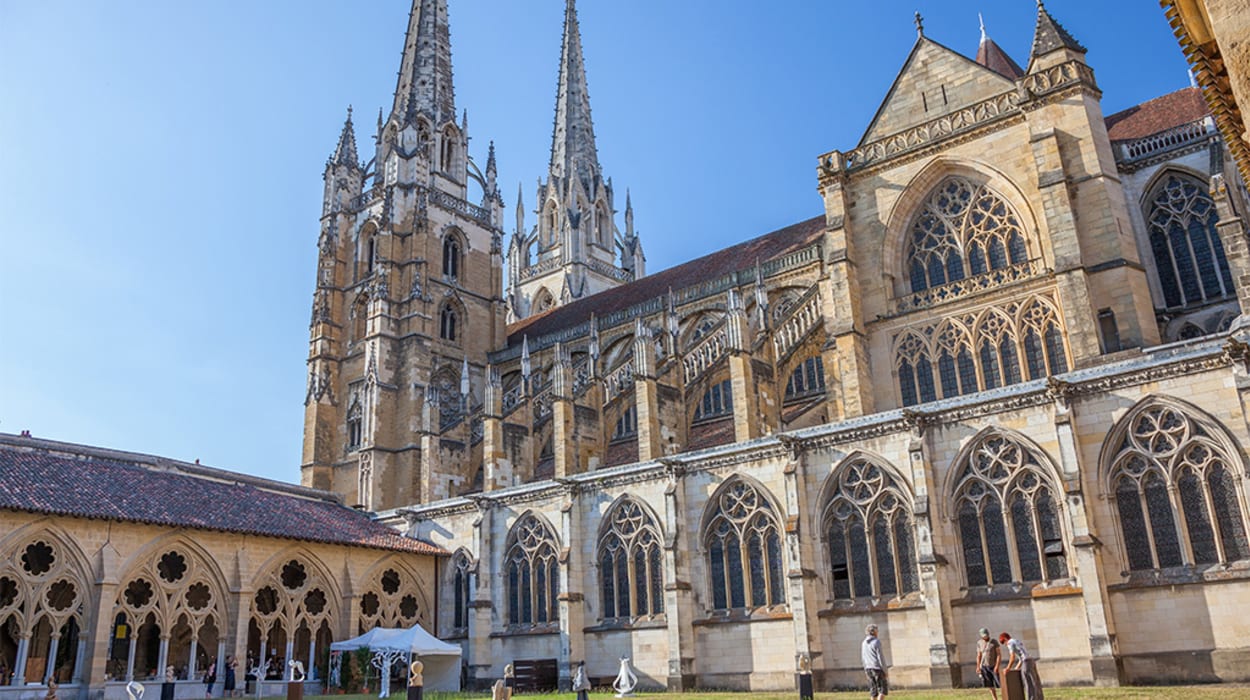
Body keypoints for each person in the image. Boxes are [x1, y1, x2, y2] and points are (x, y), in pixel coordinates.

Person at [999, 633, 1043, 700]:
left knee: (1028, 683)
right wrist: (1016, 667)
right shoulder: (1016, 641)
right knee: (1035, 682)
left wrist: (1008, 668)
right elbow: (1021, 657)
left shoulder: (1010, 643)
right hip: (1031, 660)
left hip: (1026, 663)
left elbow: (1012, 657)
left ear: (1005, 639)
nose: (1005, 644)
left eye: (1003, 642)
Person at [861, 623, 888, 700]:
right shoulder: (876, 642)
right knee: (882, 690)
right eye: (877, 631)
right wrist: (885, 670)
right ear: (875, 632)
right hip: (877, 668)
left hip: (868, 668)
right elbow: (880, 658)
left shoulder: (863, 643)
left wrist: (865, 670)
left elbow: (863, 658)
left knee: (873, 691)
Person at [975, 628, 1001, 700]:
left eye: (986, 635)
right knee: (989, 683)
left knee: (999, 682)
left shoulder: (994, 642)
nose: (985, 637)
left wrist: (997, 666)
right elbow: (979, 655)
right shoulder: (979, 643)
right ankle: (994, 698)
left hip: (993, 665)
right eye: (984, 636)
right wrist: (978, 666)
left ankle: (1004, 695)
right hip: (984, 666)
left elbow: (999, 654)